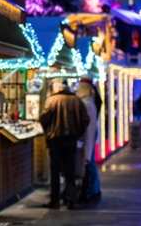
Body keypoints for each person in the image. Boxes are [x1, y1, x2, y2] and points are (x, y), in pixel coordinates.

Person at [40, 78, 89, 209]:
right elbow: (85, 119)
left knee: (55, 171)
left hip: (54, 140)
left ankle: (54, 200)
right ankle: (70, 199)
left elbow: (44, 119)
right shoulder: (76, 100)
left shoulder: (51, 100)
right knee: (70, 170)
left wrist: (48, 131)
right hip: (71, 140)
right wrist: (77, 133)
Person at [76, 78, 102, 204]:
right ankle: (93, 190)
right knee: (90, 164)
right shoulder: (89, 102)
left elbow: (89, 128)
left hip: (86, 139)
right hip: (88, 139)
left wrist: (87, 148)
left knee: (89, 165)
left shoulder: (86, 104)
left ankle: (92, 191)